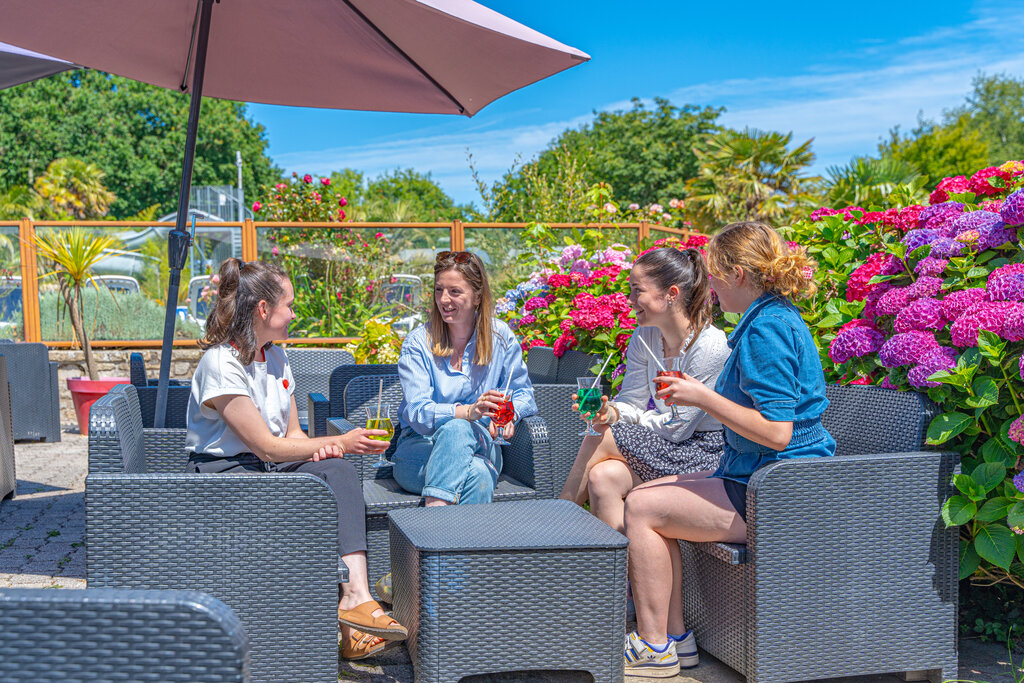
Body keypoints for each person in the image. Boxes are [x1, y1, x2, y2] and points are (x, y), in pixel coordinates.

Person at [620, 222, 836, 680]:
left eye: (715, 279)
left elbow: (778, 432)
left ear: (738, 275)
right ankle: (676, 639)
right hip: (762, 478)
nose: (712, 291)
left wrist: (702, 397)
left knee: (640, 507)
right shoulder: (771, 318)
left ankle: (656, 647)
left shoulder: (766, 330)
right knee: (650, 493)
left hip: (778, 491)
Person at [184, 258, 408, 662]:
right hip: (224, 480)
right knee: (336, 460)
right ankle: (353, 616)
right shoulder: (221, 364)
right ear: (263, 310)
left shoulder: (277, 358)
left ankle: (355, 599)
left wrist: (324, 449)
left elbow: (293, 438)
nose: (293, 314)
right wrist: (341, 439)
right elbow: (267, 447)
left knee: (336, 469)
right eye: (288, 305)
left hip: (266, 469)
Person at [558, 247, 731, 536]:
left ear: (671, 294)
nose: (630, 300)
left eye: (637, 291)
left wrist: (620, 422)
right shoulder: (645, 335)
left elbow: (679, 428)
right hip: (665, 444)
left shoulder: (710, 346)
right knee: (603, 477)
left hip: (704, 452)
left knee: (605, 433)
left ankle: (559, 524)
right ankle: (615, 574)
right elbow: (631, 401)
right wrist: (610, 412)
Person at [392, 250, 537, 506]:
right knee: (478, 473)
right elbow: (417, 412)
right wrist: (468, 412)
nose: (444, 299)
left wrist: (510, 412)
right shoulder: (418, 343)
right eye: (439, 290)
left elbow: (524, 393)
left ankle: (434, 533)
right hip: (420, 449)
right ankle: (466, 546)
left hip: (482, 443)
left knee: (461, 430)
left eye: (454, 291)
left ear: (478, 296)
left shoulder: (500, 337)